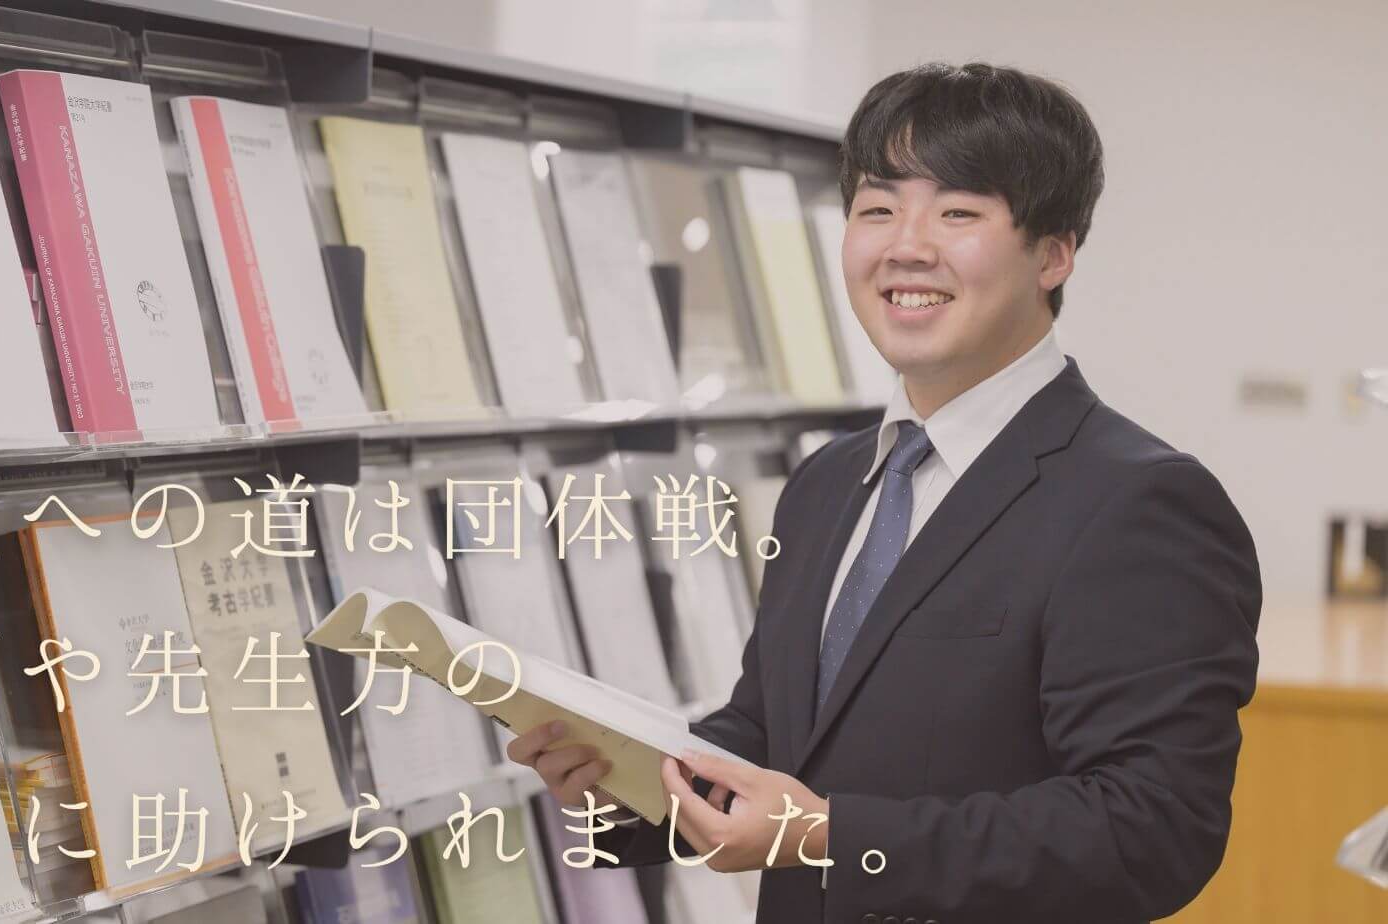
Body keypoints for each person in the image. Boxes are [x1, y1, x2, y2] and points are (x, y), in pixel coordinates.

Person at [508, 61, 1261, 923]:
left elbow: (1152, 829)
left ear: (1054, 254)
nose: (907, 245)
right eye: (877, 209)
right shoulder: (827, 483)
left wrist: (833, 837)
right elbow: (777, 734)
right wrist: (631, 783)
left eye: (958, 212)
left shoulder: (1140, 503)